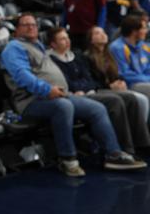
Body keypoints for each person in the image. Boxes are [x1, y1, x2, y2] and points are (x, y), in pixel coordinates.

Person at [0, 13, 144, 177]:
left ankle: (113, 153)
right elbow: (21, 76)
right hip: (31, 101)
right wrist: (47, 90)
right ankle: (67, 158)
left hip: (59, 95)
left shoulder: (38, 45)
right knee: (64, 106)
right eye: (25, 24)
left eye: (33, 24)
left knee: (97, 108)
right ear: (16, 30)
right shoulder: (14, 47)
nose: (31, 27)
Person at [46, 27, 149, 159]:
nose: (67, 41)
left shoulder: (76, 55)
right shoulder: (52, 61)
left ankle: (141, 144)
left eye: (67, 38)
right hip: (76, 95)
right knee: (115, 101)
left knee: (130, 98)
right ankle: (125, 148)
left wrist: (116, 82)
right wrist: (83, 87)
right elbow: (66, 82)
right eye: (62, 39)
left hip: (91, 90)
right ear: (53, 44)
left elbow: (89, 79)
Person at [85, 26, 150, 124]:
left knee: (140, 100)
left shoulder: (108, 54)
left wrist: (120, 81)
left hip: (117, 87)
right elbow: (92, 80)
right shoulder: (87, 57)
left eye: (103, 32)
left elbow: (118, 74)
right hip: (101, 89)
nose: (102, 35)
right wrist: (109, 86)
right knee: (141, 99)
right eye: (97, 33)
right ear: (91, 40)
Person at [110, 15, 150, 110]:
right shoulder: (117, 47)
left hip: (145, 80)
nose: (146, 31)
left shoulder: (144, 46)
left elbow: (148, 67)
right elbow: (124, 74)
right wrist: (147, 79)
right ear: (134, 31)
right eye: (143, 28)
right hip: (129, 83)